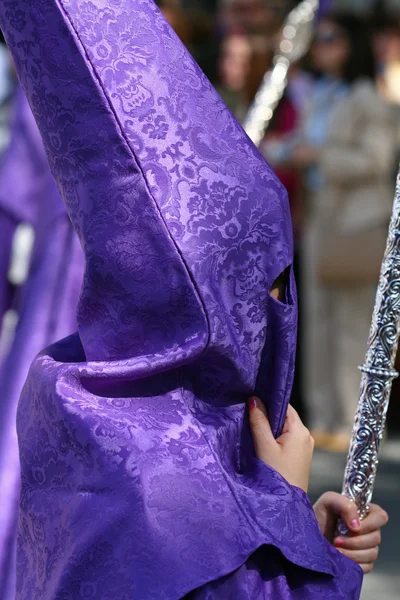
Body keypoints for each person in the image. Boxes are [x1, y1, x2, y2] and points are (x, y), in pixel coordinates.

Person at [0, 1, 388, 598]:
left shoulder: (85, 398)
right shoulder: (170, 486)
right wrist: (286, 521)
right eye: (263, 288)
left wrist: (300, 536)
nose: (276, 315)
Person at [290, 14, 397, 451]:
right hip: (322, 220)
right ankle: (324, 421)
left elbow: (375, 162)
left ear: (351, 45)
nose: (321, 48)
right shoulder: (322, 93)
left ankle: (355, 424)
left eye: (331, 39)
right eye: (319, 40)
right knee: (318, 322)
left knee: (355, 325)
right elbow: (302, 142)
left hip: (357, 222)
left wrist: (318, 156)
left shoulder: (370, 98)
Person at [0, 87, 84, 600]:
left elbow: (9, 211)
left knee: (23, 445)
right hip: (125, 311)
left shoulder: (44, 94)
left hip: (59, 302)